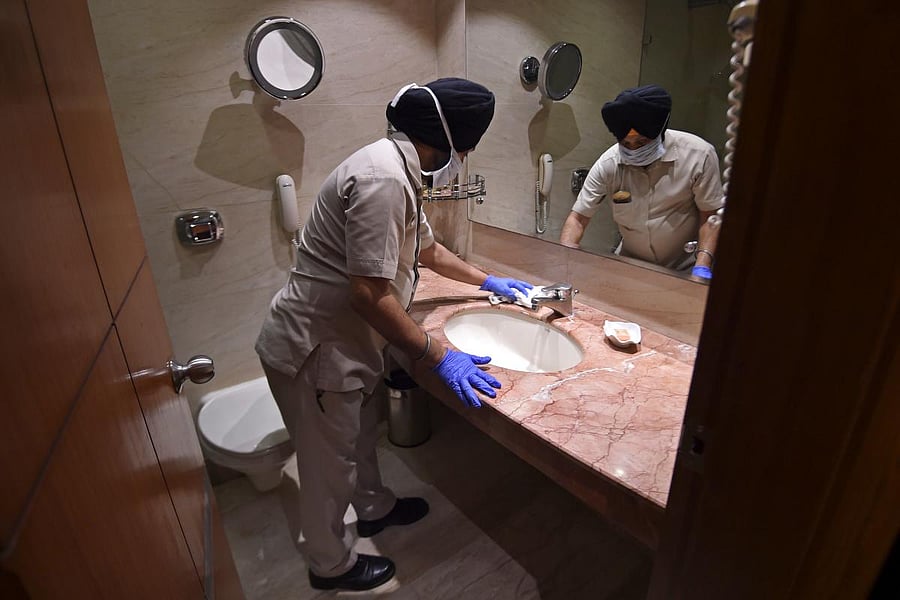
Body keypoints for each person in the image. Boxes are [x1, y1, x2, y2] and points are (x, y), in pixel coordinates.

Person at [255, 78, 533, 592]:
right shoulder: (383, 179)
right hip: (316, 351)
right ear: (448, 140)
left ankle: (374, 508)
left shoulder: (396, 168)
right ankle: (330, 563)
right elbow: (368, 294)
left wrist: (487, 281)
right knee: (326, 466)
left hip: (342, 347)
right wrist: (437, 354)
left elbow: (427, 249)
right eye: (467, 147)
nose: (465, 157)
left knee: (357, 438)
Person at [559, 84, 724, 280]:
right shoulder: (609, 163)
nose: (633, 150)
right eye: (625, 143)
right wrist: (564, 262)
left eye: (641, 142)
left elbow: (710, 215)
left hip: (683, 269)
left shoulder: (699, 155)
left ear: (660, 132)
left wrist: (701, 268)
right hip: (630, 266)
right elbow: (578, 219)